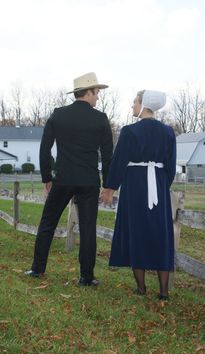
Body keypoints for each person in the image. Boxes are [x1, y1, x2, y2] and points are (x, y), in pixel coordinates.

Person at [25, 72, 113, 286]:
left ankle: (37, 269)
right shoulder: (100, 119)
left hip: (63, 179)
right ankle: (86, 277)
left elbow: (45, 148)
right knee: (88, 228)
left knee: (47, 223)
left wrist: (47, 176)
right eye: (97, 93)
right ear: (89, 92)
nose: (98, 97)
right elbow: (108, 154)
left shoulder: (58, 114)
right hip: (89, 181)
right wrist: (108, 185)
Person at [101, 90, 176, 299]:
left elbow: (118, 162)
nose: (132, 106)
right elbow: (170, 167)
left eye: (134, 102)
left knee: (137, 233)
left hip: (134, 187)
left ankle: (142, 288)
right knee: (161, 235)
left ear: (144, 104)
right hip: (158, 188)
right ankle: (163, 292)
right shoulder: (168, 132)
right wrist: (162, 185)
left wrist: (109, 188)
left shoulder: (129, 131)